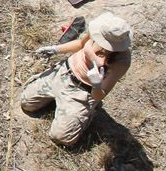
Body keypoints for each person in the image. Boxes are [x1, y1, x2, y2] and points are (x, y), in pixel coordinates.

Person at [20, 12, 133, 146]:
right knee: (26, 103)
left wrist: (96, 85)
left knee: (61, 137)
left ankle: (82, 114)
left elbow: (100, 95)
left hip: (81, 93)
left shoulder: (121, 61)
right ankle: (59, 104)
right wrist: (55, 49)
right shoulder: (99, 31)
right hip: (62, 74)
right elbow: (80, 44)